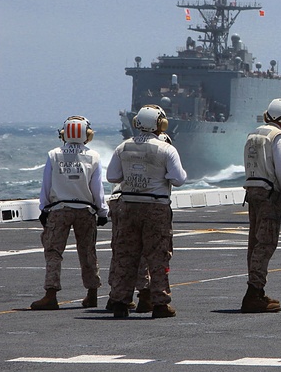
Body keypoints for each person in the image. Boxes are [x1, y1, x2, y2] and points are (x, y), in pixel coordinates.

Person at [107, 105, 187, 318]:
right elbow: (178, 179)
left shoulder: (123, 147)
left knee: (125, 255)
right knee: (158, 257)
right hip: (155, 208)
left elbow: (112, 176)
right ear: (160, 124)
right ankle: (160, 303)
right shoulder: (166, 149)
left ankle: (120, 303)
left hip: (128, 205)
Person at [30, 116, 109, 310]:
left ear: (64, 134)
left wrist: (44, 208)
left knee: (53, 251)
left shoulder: (54, 155)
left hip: (59, 209)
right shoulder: (94, 156)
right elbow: (97, 189)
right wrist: (102, 212)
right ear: (87, 134)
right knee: (88, 252)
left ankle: (51, 294)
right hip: (85, 210)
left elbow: (46, 185)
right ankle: (92, 294)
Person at [241, 98, 281, 313]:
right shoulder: (279, 137)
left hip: (252, 192)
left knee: (254, 243)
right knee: (266, 244)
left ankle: (257, 291)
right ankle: (254, 293)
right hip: (269, 195)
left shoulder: (253, 134)